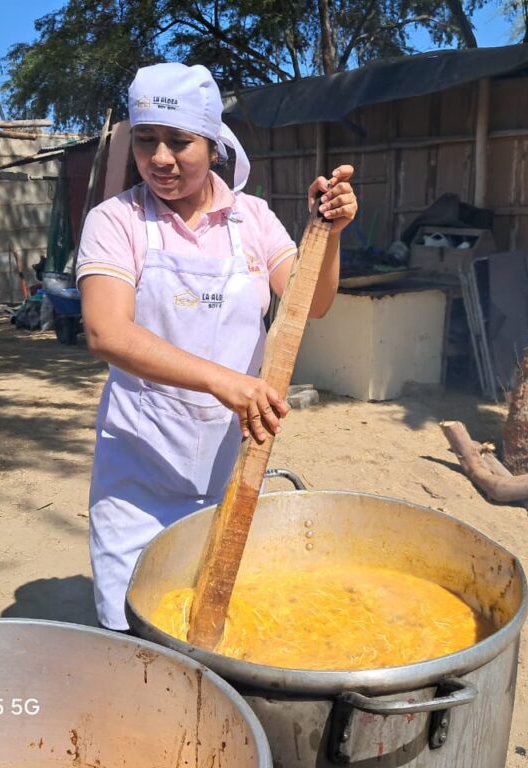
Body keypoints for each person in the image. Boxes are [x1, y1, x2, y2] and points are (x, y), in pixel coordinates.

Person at [76, 62, 357, 630]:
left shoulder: (251, 218)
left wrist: (329, 233)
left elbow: (312, 301)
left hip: (231, 467)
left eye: (179, 142)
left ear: (213, 143)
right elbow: (107, 332)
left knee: (216, 622)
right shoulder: (116, 221)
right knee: (132, 625)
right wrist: (226, 381)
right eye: (146, 140)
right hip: (140, 466)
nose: (160, 158)